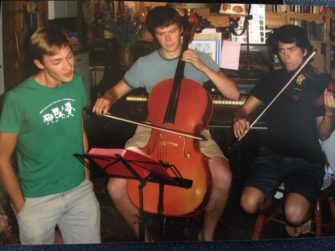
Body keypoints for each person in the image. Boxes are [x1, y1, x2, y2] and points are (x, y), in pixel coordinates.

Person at [93, 5, 240, 241]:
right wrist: (107, 97)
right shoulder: (144, 64)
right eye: (161, 34)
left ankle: (208, 233)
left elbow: (233, 94)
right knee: (115, 186)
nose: (167, 39)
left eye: (171, 31)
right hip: (152, 130)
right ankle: (146, 239)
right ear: (153, 35)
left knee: (223, 178)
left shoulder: (200, 58)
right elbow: (116, 90)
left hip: (194, 132)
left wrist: (202, 67)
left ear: (181, 30)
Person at [0, 27, 101, 244]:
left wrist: (86, 178)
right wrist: (21, 206)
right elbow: (2, 159)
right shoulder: (16, 99)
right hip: (37, 199)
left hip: (79, 191)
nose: (68, 66)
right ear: (39, 63)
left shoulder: (75, 83)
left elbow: (79, 129)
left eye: (69, 57)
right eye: (57, 62)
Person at [233, 24, 335, 237]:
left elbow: (324, 134)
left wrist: (330, 113)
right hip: (272, 155)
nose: (286, 57)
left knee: (295, 215)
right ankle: (278, 203)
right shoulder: (271, 79)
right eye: (281, 50)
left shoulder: (317, 84)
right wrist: (241, 118)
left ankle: (297, 210)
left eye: (292, 50)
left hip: (306, 160)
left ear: (305, 51)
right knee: (248, 204)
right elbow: (244, 109)